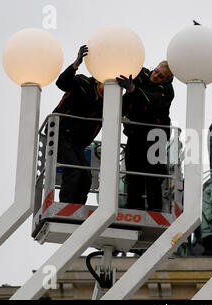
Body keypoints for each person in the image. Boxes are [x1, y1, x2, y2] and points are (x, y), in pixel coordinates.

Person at [116, 61, 174, 211]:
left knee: (154, 177)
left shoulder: (167, 90)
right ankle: (134, 210)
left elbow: (153, 100)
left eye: (160, 76)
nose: (155, 76)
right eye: (155, 71)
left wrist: (133, 89)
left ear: (166, 80)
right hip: (136, 135)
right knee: (133, 176)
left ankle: (155, 211)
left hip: (156, 137)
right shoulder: (142, 74)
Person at [53, 45, 104, 204]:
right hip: (61, 134)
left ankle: (78, 209)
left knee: (86, 177)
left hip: (78, 143)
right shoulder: (83, 82)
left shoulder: (110, 102)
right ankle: (66, 208)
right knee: (73, 171)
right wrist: (76, 63)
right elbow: (61, 83)